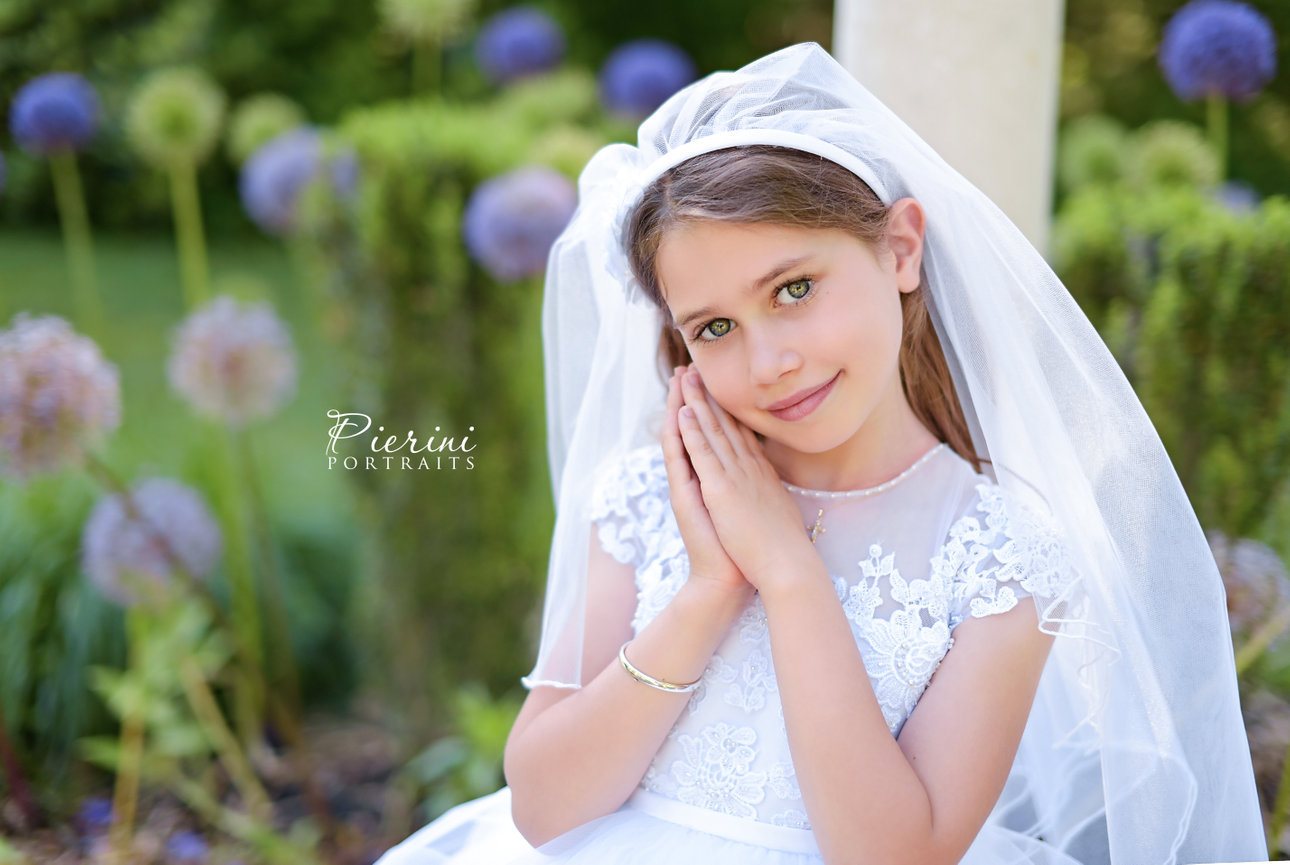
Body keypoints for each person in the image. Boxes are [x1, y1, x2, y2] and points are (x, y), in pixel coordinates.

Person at [378, 42, 1267, 865]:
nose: (771, 362)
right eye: (715, 327)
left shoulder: (1004, 552)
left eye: (794, 288)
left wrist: (788, 570)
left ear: (900, 249)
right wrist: (710, 586)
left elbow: (893, 853)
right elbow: (541, 803)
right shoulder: (651, 497)